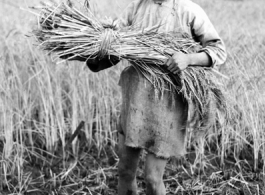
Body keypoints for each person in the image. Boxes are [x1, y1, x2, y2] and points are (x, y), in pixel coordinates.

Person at [85, 0, 227, 194]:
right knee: (125, 171)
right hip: (135, 99)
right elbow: (117, 48)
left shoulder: (188, 10)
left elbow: (218, 50)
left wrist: (188, 59)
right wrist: (91, 52)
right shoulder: (136, 7)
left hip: (168, 105)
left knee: (152, 178)